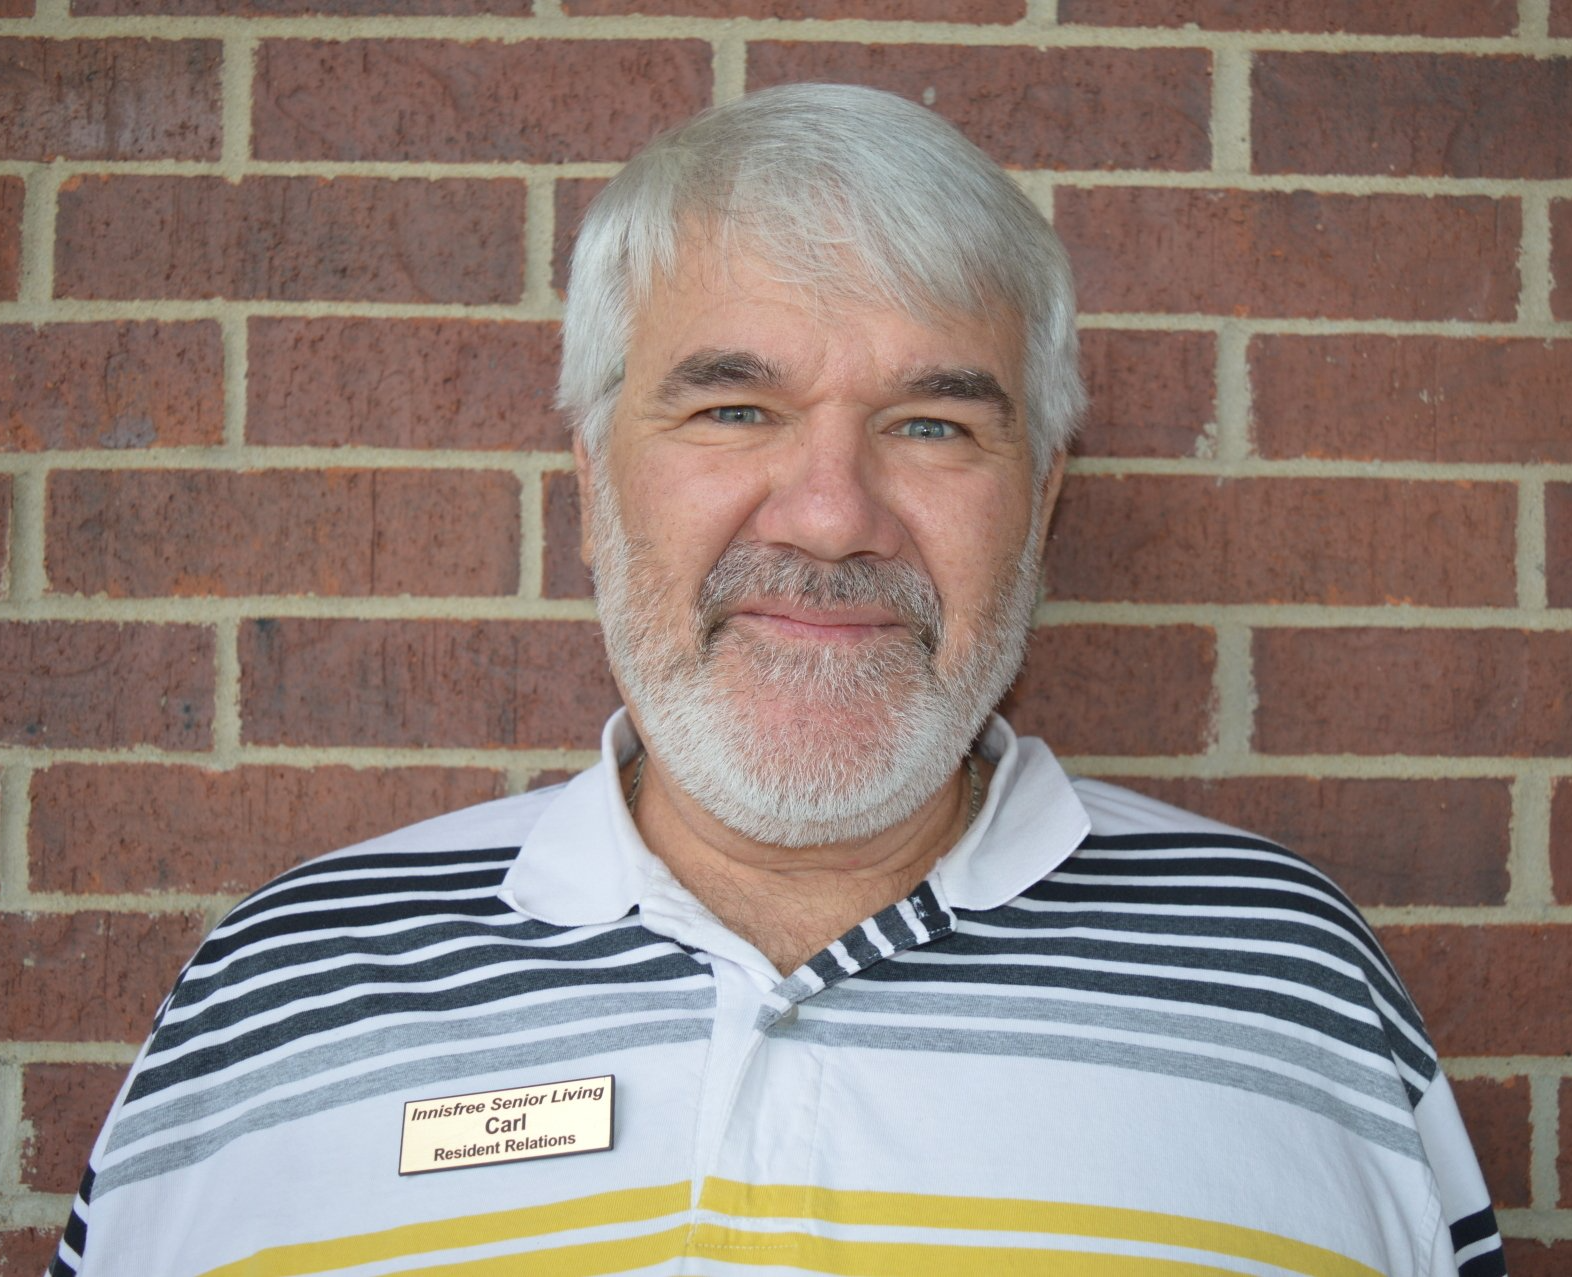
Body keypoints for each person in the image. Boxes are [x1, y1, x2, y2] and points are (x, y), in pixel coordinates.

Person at [50, 84, 1502, 1277]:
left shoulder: (1295, 983)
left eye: (934, 425)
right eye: (734, 407)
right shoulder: (277, 993)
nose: (828, 514)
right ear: (592, 483)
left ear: (1041, 503)